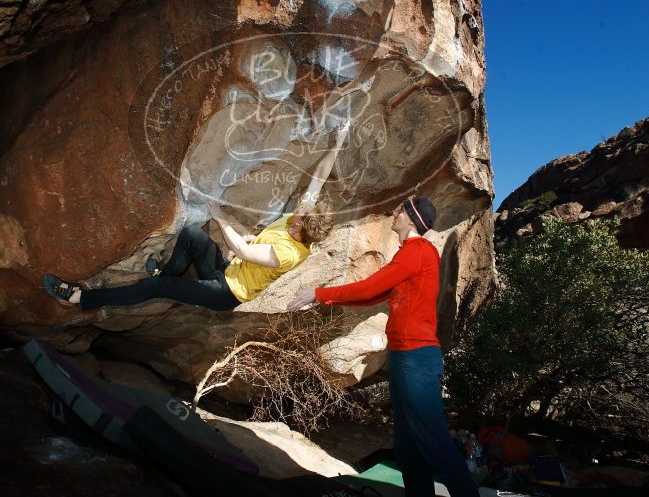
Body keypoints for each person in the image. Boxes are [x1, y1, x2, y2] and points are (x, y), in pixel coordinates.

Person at [42, 122, 348, 311]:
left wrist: (220, 216)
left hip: (225, 293)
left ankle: (80, 299)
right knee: (191, 235)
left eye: (301, 214)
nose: (300, 208)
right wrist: (338, 142)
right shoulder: (302, 221)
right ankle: (167, 279)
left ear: (301, 230)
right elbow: (318, 179)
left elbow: (243, 250)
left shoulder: (288, 254)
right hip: (227, 271)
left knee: (156, 290)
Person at [288, 197, 479, 497]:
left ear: (411, 220)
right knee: (408, 449)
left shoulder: (417, 251)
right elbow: (372, 296)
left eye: (402, 210)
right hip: (407, 358)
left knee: (434, 443)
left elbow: (370, 286)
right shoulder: (411, 254)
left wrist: (318, 292)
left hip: (417, 359)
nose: (396, 213)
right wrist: (320, 299)